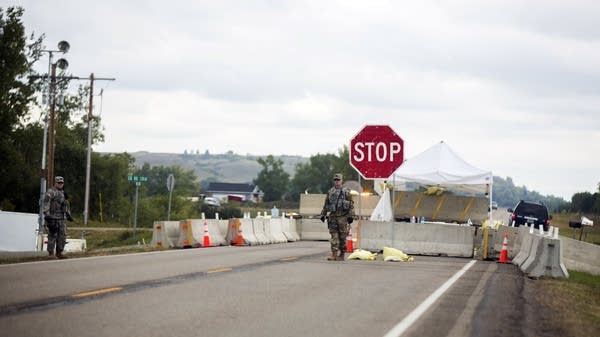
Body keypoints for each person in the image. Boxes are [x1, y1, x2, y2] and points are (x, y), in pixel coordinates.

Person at [320, 173, 355, 261]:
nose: (337, 182)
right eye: (335, 180)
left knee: (342, 238)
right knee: (334, 237)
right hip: (333, 217)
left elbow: (351, 204)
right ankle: (334, 254)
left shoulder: (346, 191)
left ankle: (342, 254)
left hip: (343, 218)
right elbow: (326, 204)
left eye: (338, 180)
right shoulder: (330, 192)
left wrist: (351, 216)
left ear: (341, 180)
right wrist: (323, 214)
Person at [43, 176, 72, 258]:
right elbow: (46, 203)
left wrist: (68, 214)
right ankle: (51, 253)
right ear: (55, 183)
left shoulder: (63, 193)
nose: (60, 184)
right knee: (52, 235)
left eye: (61, 183)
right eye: (58, 183)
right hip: (52, 217)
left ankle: (59, 252)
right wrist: (47, 214)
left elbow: (65, 205)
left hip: (61, 218)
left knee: (62, 236)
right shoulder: (51, 192)